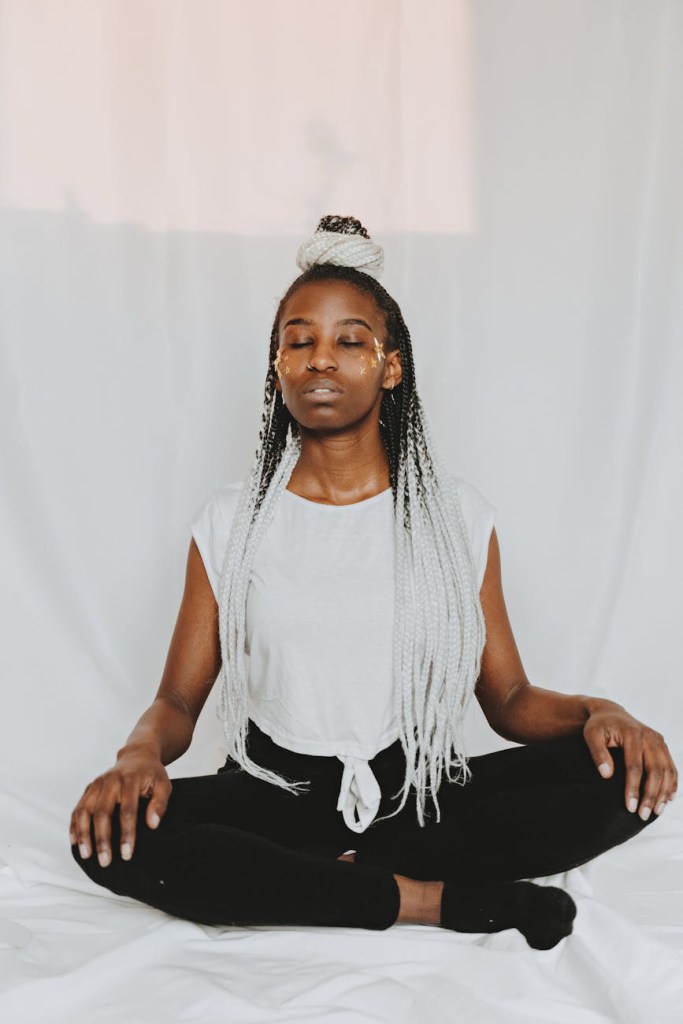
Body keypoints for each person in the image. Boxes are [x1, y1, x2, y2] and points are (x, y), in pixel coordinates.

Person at [70, 215, 677, 949]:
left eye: (349, 341)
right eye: (299, 342)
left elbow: (510, 700)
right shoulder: (232, 522)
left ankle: (321, 878)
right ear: (278, 367)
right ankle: (427, 899)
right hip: (276, 792)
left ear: (390, 367)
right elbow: (176, 701)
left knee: (624, 774)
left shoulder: (455, 516)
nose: (320, 359)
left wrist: (601, 711)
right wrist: (136, 755)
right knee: (111, 836)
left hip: (417, 793)